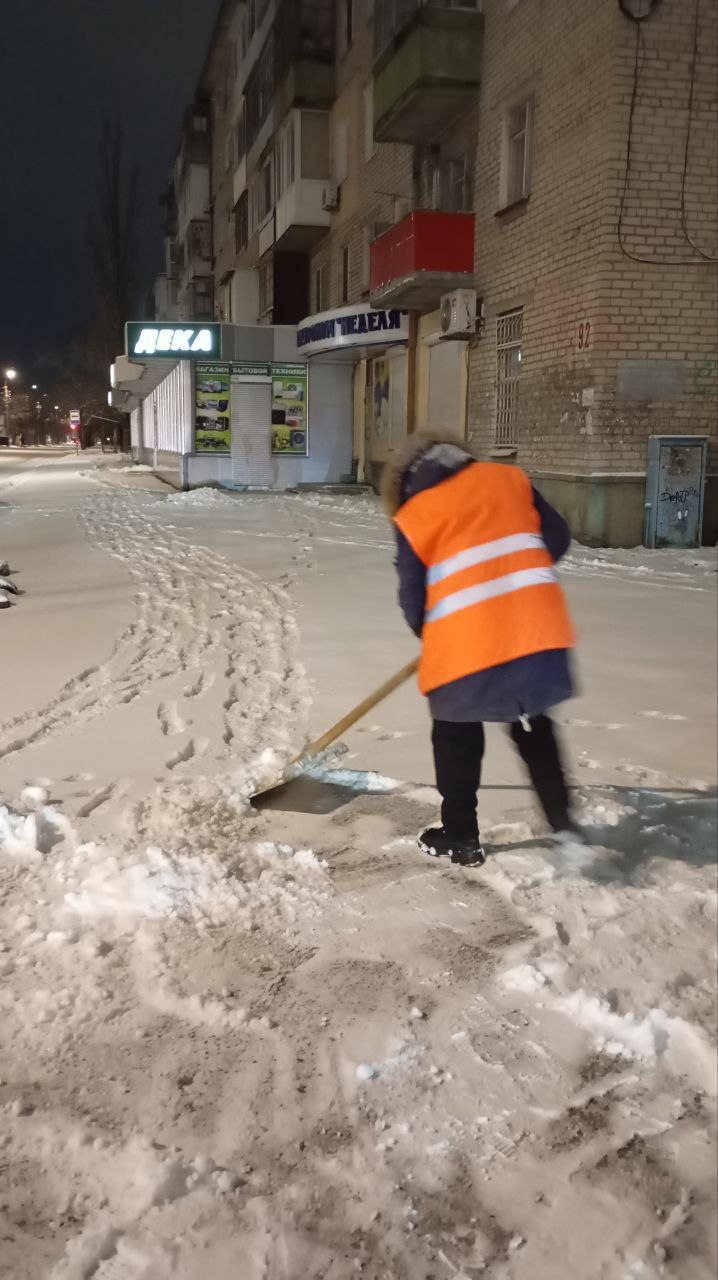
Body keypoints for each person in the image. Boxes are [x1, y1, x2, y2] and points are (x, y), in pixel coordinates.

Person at [382, 435, 581, 868]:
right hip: (535, 628)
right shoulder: (509, 478)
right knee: (533, 724)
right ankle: (565, 826)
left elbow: (413, 599)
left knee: (456, 733)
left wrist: (436, 631)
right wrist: (511, 577)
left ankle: (460, 836)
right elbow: (558, 537)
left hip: (465, 640)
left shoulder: (415, 514)